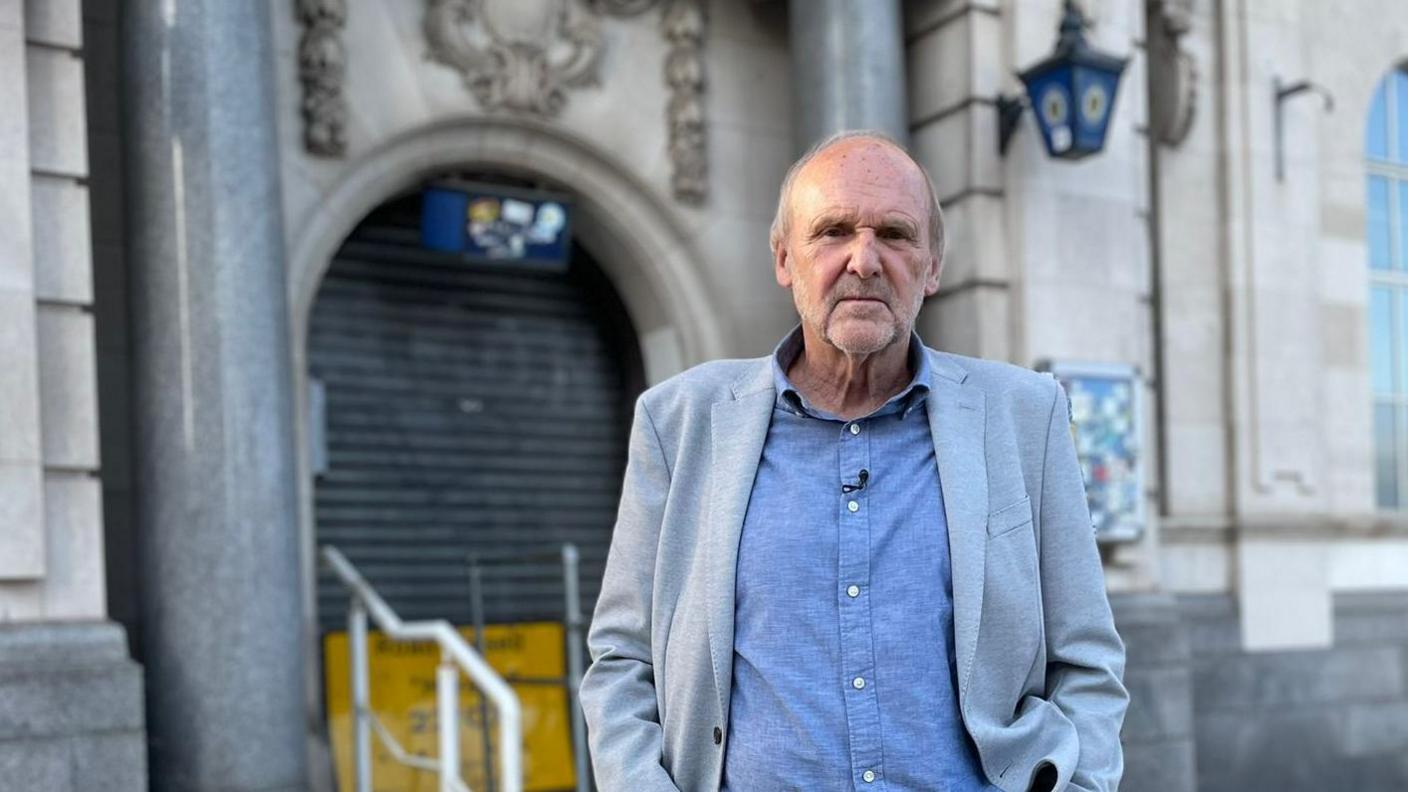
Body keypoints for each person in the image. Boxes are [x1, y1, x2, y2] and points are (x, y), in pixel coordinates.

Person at [579, 130, 1129, 792]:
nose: (863, 260)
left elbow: (1088, 660)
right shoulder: (680, 422)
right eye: (833, 231)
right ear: (785, 258)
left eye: (895, 235)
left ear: (932, 265)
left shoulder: (1024, 417)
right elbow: (621, 657)